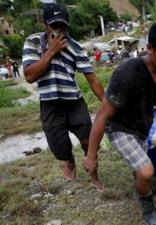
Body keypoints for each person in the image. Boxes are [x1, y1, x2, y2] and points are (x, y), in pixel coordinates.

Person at [84, 21, 156, 225]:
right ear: (149, 49)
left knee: (139, 172)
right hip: (119, 128)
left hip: (142, 129)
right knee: (147, 171)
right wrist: (91, 155)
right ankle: (149, 212)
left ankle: (139, 187)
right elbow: (103, 115)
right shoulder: (127, 73)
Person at [22, 3, 105, 189]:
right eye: (54, 26)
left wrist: (108, 105)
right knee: (60, 148)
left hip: (74, 103)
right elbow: (29, 76)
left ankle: (95, 178)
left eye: (63, 26)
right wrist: (51, 50)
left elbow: (92, 80)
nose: (59, 31)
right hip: (49, 104)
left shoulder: (76, 47)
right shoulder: (34, 42)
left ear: (68, 25)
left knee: (89, 142)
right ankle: (68, 159)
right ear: (45, 24)